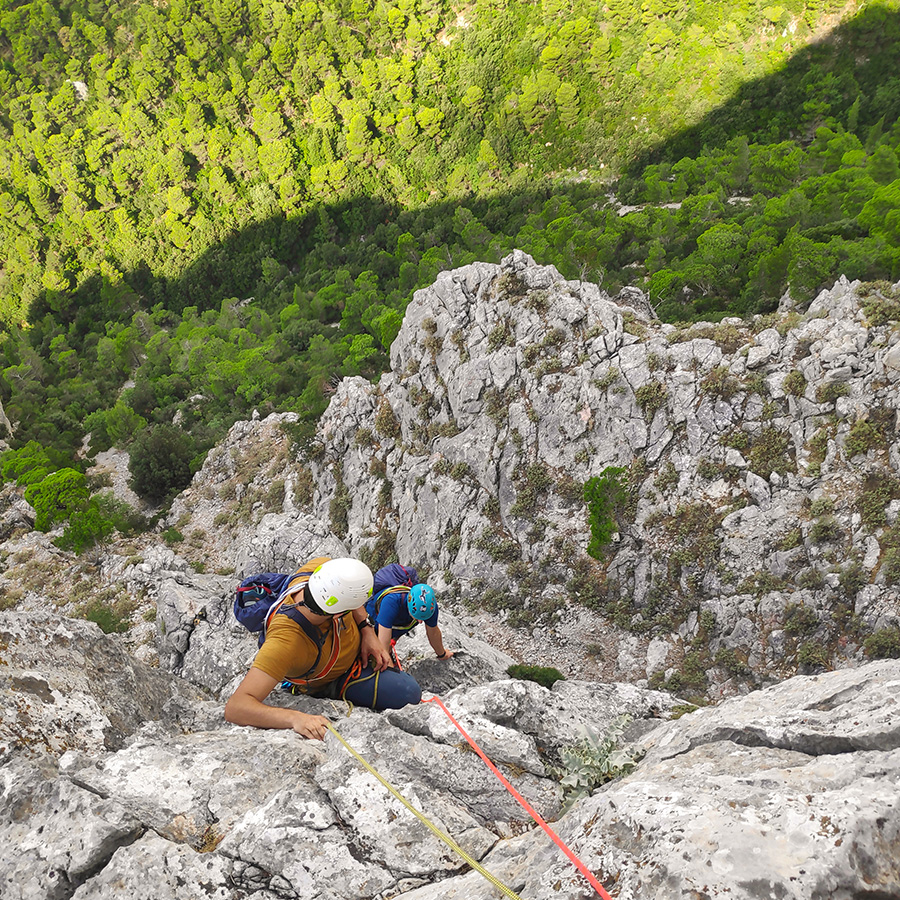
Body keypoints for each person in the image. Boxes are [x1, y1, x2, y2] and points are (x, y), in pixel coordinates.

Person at [225, 557, 422, 740]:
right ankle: (331, 689)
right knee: (408, 692)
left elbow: (350, 594)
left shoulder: (323, 571)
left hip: (359, 648)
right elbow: (237, 707)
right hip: (336, 679)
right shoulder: (285, 642)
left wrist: (366, 629)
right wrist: (295, 719)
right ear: (338, 614)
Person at [366, 563, 455, 662]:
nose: (420, 621)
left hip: (394, 625)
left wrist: (442, 654)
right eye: (417, 617)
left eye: (423, 618)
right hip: (372, 624)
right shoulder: (391, 602)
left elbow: (433, 633)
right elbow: (382, 646)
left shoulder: (430, 606)